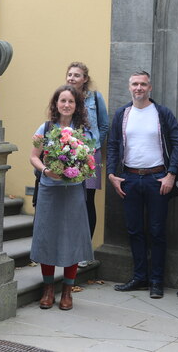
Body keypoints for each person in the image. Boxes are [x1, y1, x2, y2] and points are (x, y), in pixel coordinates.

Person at [108, 70, 178, 299]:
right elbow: (113, 145)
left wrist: (171, 174)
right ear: (129, 86)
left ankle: (156, 281)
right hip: (129, 179)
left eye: (143, 84)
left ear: (150, 87)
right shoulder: (122, 114)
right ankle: (139, 277)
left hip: (157, 179)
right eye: (135, 84)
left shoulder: (161, 113)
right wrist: (112, 174)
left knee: (157, 232)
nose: (139, 88)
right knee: (133, 230)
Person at [29, 85, 95, 311]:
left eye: (71, 101)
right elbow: (33, 157)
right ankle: (48, 289)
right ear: (56, 104)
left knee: (72, 238)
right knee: (47, 237)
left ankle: (67, 291)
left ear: (77, 106)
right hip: (49, 189)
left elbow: (89, 160)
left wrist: (80, 167)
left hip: (73, 191)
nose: (66, 105)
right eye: (62, 100)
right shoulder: (45, 128)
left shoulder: (83, 132)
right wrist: (46, 171)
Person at [64, 62, 109, 243]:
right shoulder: (64, 97)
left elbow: (104, 125)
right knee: (70, 199)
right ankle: (70, 244)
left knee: (88, 200)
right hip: (67, 154)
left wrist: (94, 143)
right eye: (70, 74)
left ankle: (84, 248)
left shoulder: (95, 98)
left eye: (76, 75)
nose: (72, 78)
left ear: (85, 79)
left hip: (91, 155)